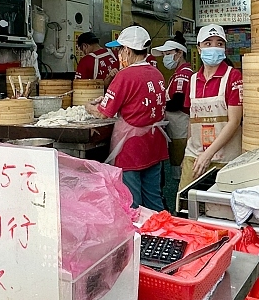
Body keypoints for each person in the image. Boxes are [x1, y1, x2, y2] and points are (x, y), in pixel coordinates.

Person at [86, 26, 169, 211]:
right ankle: (161, 235)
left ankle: (137, 238)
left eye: (120, 49)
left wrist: (89, 107)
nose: (119, 54)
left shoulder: (125, 75)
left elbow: (103, 113)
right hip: (154, 144)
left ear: (128, 51)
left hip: (132, 148)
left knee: (132, 202)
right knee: (153, 198)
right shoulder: (157, 73)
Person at [179, 24, 244, 192]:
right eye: (208, 43)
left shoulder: (233, 76)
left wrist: (208, 155)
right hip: (194, 156)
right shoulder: (193, 80)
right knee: (185, 205)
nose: (214, 47)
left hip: (225, 158)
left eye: (219, 43)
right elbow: (191, 121)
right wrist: (188, 151)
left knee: (219, 209)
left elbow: (234, 121)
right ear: (199, 49)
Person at [151, 33, 193, 172]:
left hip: (181, 127)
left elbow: (177, 103)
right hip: (176, 127)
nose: (165, 58)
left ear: (179, 53)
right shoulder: (180, 72)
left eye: (167, 54)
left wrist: (157, 105)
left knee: (181, 167)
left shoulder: (183, 74)